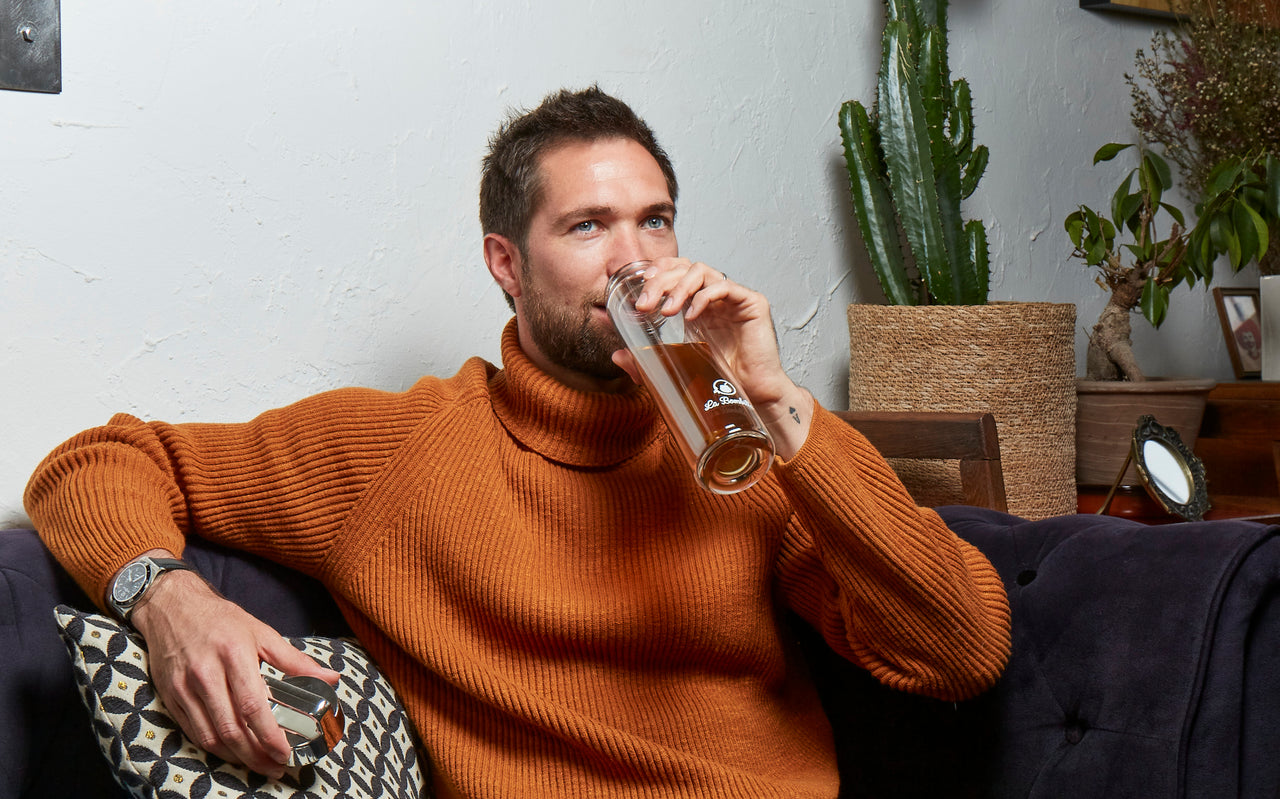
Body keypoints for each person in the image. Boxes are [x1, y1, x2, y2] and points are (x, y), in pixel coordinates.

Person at [25, 86, 1011, 798]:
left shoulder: (741, 449)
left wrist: (777, 399)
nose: (633, 261)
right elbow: (95, 461)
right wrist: (168, 597)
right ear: (506, 263)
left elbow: (961, 650)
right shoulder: (399, 449)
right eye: (587, 227)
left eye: (655, 221)